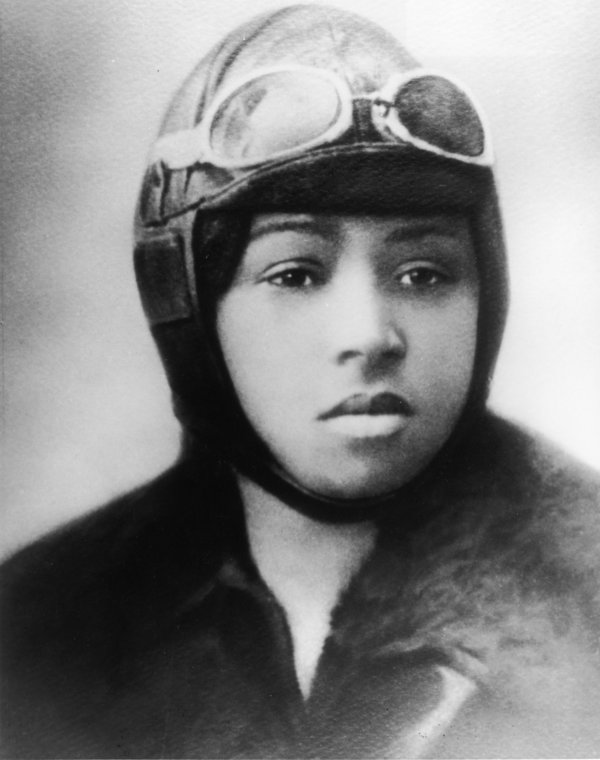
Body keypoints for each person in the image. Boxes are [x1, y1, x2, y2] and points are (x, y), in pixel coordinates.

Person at [2, 5, 600, 758]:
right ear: (188, 305)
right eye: (295, 272)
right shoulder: (41, 624)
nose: (370, 337)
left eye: (424, 273)